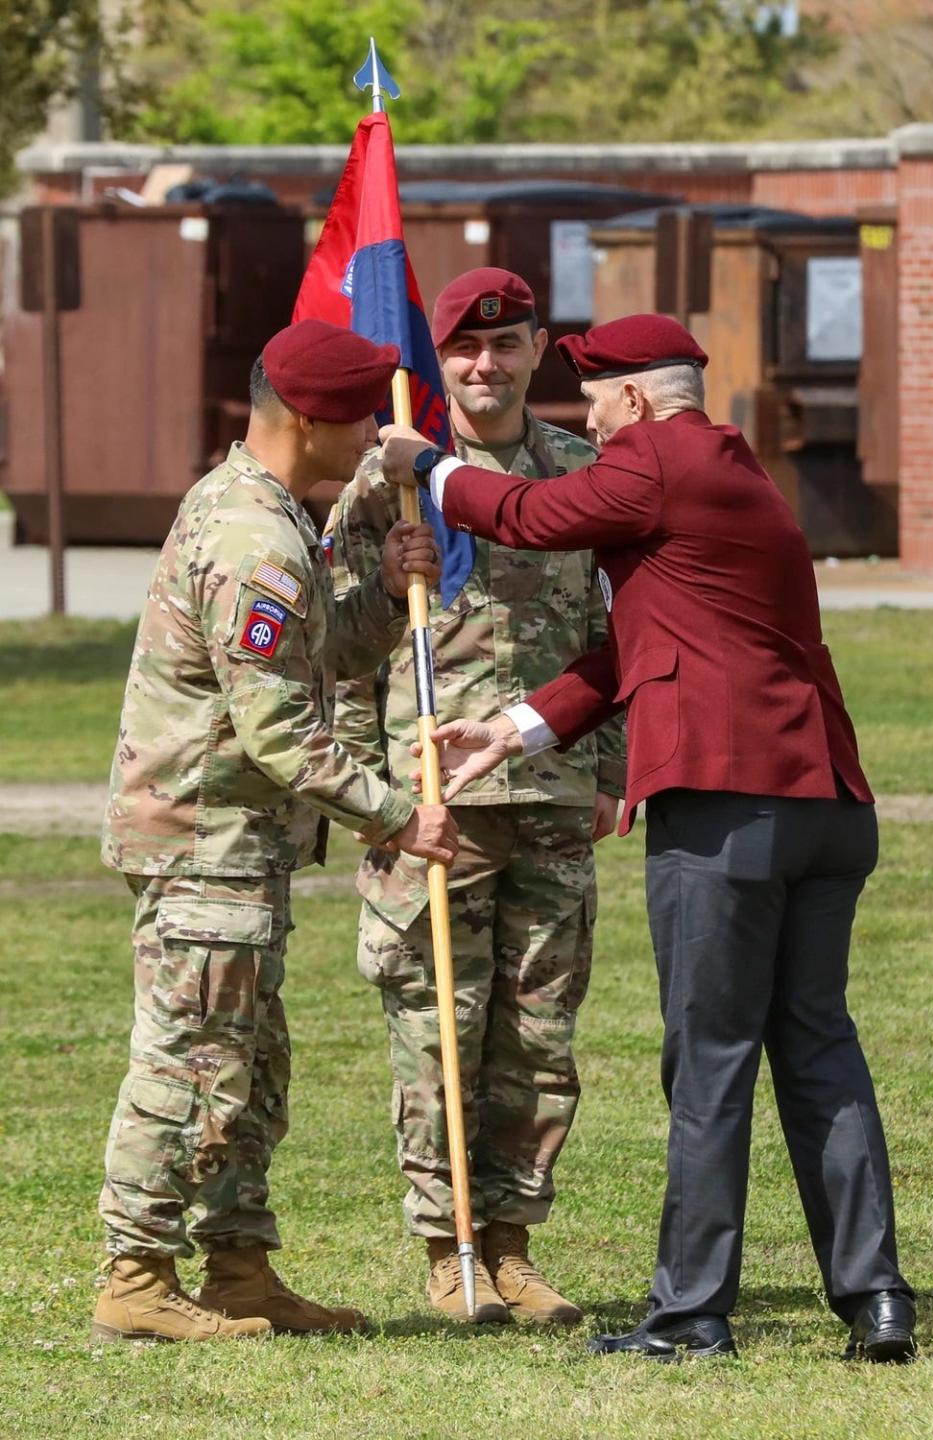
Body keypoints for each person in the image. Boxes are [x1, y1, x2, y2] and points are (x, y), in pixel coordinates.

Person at [378, 312, 917, 1363]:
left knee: (709, 1058)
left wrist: (427, 464)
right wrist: (513, 728)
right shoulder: (733, 472)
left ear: (630, 399)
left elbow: (529, 513)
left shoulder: (659, 457)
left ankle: (691, 1315)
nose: (590, 417)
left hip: (727, 807)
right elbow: (636, 651)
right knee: (817, 1050)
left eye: (594, 399)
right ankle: (875, 1299)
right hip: (824, 803)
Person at [93, 319, 459, 1344]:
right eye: (358, 422)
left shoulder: (262, 510)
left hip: (237, 846)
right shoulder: (254, 538)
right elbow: (282, 732)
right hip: (205, 841)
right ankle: (135, 1276)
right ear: (306, 419)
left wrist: (386, 593)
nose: (372, 440)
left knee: (249, 1060)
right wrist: (399, 816)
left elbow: (317, 657)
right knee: (191, 1059)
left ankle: (239, 1269)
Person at [327, 268, 625, 1324]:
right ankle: (446, 1248)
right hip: (431, 801)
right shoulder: (387, 480)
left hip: (551, 790)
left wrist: (616, 771)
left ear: (538, 347)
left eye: (506, 346)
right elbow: (337, 649)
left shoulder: (587, 473)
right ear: (436, 357)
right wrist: (374, 799)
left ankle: (511, 1246)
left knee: (538, 1036)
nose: (485, 366)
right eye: (464, 348)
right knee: (436, 1028)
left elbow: (617, 638)